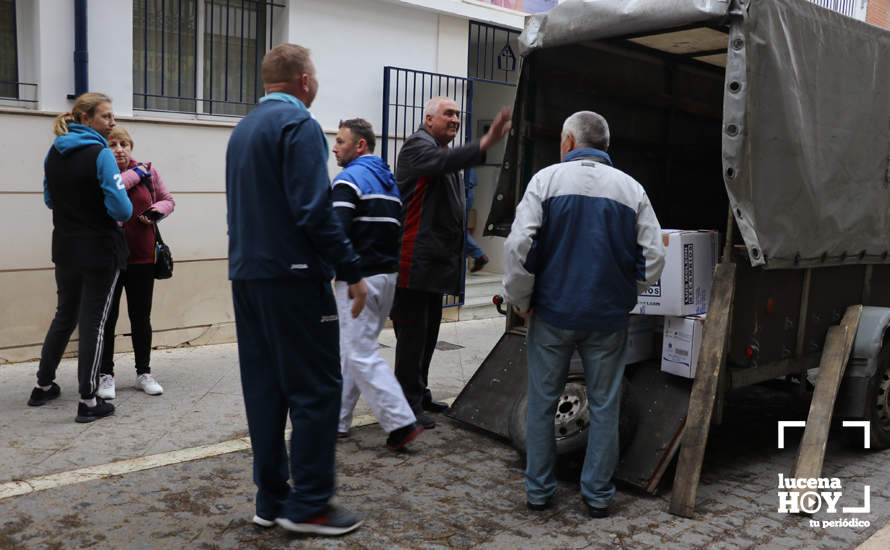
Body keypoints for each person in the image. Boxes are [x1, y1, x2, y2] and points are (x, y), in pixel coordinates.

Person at [225, 43, 367, 536]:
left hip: (247, 274)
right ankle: (309, 505)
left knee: (264, 390)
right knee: (316, 389)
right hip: (293, 274)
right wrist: (350, 268)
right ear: (305, 80)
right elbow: (314, 209)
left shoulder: (243, 129)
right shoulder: (300, 124)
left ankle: (271, 499)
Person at [503, 111, 665, 518]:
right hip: (607, 319)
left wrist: (522, 301)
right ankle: (597, 496)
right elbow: (655, 256)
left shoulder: (546, 181)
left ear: (569, 142)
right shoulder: (632, 190)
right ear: (604, 145)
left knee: (542, 403)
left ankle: (539, 492)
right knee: (605, 405)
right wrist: (626, 295)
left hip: (552, 313)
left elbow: (519, 247)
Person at [391, 96, 511, 430]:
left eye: (458, 114)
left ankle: (419, 393)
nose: (456, 119)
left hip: (434, 265)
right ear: (428, 119)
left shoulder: (440, 152)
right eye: (449, 114)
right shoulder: (418, 146)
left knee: (428, 336)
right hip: (413, 264)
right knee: (412, 341)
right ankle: (405, 409)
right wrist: (486, 142)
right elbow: (441, 166)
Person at [28, 92, 132, 423]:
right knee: (94, 323)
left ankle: (43, 385)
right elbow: (122, 208)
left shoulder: (53, 153)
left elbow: (49, 199)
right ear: (85, 119)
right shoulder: (100, 154)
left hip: (65, 248)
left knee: (64, 316)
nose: (112, 122)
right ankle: (88, 401)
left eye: (112, 117)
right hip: (100, 250)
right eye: (106, 117)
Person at [331, 118, 422, 451]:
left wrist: (347, 273)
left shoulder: (348, 180)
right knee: (351, 351)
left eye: (341, 141)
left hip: (359, 281)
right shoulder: (388, 183)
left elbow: (336, 234)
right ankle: (338, 422)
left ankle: (401, 422)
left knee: (360, 352)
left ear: (360, 145)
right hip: (386, 277)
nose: (335, 147)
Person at [96, 126, 175, 399]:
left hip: (142, 255)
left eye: (124, 144)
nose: (119, 149)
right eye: (113, 144)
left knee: (141, 317)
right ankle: (106, 375)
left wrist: (155, 211)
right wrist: (135, 173)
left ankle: (144, 372)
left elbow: (168, 200)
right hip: (110, 258)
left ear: (131, 146)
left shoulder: (148, 173)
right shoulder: (103, 174)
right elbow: (111, 191)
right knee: (107, 319)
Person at [464, 168, 489, 273]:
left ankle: (478, 254)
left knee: (455, 227)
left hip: (463, 190)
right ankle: (478, 254)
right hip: (468, 189)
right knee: (457, 227)